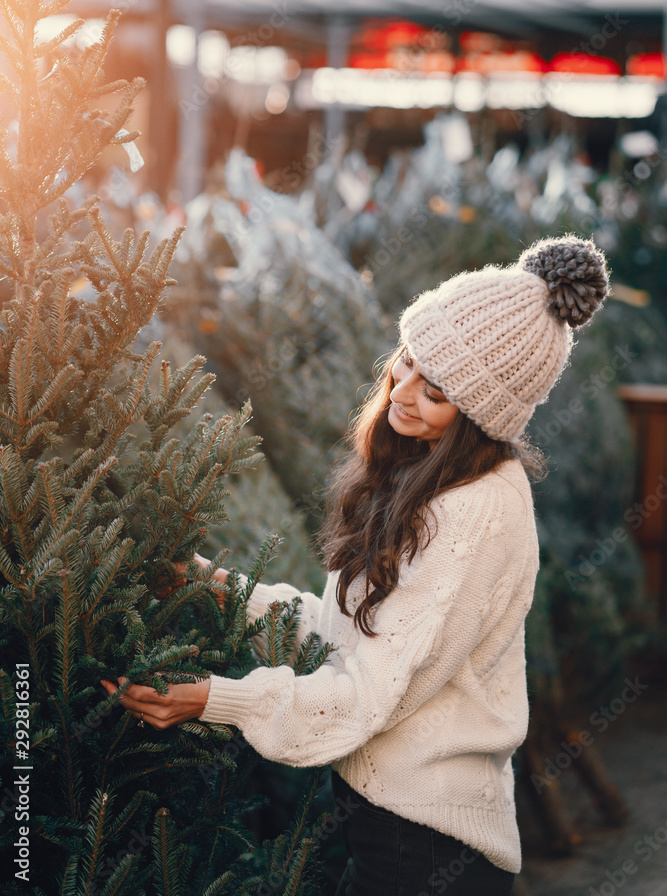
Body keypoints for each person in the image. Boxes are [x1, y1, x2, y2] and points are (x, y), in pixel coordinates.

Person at [102, 235, 609, 896]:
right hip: (394, 831)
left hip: (424, 850)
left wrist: (211, 698)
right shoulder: (432, 477)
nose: (401, 393)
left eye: (435, 393)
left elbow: (366, 695)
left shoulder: (470, 516)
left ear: (480, 418)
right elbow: (358, 639)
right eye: (406, 364)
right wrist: (218, 586)